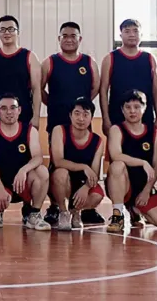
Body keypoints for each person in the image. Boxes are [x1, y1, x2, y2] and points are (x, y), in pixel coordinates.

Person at [41, 22, 101, 226]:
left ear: (79, 39)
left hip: (82, 125)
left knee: (86, 164)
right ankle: (56, 207)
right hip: (57, 121)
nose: (68, 39)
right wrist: (54, 104)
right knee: (57, 167)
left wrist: (81, 110)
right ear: (59, 39)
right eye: (64, 36)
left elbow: (95, 88)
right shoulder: (50, 62)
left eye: (73, 35)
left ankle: (85, 208)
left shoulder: (89, 63)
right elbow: (39, 88)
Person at [105, 90, 157, 233]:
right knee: (117, 166)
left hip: (143, 186)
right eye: (128, 107)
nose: (132, 111)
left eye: (136, 107)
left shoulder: (155, 134)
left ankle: (135, 210)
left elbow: (156, 165)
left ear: (145, 108)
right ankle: (118, 214)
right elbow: (116, 155)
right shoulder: (116, 129)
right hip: (122, 184)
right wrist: (142, 162)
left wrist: (147, 191)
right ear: (122, 110)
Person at [0, 94, 51, 231]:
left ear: (19, 110)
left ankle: (34, 214)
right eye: (4, 108)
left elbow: (38, 157)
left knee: (42, 171)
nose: (9, 112)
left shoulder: (30, 130)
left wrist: (23, 170)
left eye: (13, 108)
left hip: (22, 183)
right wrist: (0, 188)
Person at [48, 98, 106, 231]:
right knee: (61, 173)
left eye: (86, 114)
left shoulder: (97, 141)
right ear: (70, 115)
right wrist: (84, 167)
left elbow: (94, 174)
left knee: (97, 195)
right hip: (60, 181)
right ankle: (63, 212)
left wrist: (86, 187)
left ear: (91, 117)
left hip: (81, 183)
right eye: (77, 113)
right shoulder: (59, 130)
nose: (81, 118)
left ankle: (75, 211)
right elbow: (58, 161)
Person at [101, 19, 157, 129]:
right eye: (127, 31)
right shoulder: (110, 58)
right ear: (121, 35)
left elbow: (156, 90)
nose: (132, 35)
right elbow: (103, 90)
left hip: (145, 118)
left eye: (135, 31)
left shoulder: (150, 59)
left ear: (141, 35)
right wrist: (105, 119)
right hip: (117, 117)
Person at [0, 16, 41, 128]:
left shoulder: (30, 57)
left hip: (23, 116)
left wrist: (36, 116)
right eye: (3, 29)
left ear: (18, 32)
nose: (7, 32)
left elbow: (36, 89)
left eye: (11, 29)